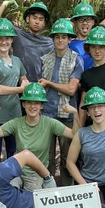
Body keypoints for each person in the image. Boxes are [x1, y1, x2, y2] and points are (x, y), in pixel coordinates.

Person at [0, 82, 77, 191]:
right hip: (17, 169)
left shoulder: (49, 123)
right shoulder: (16, 123)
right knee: (7, 190)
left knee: (30, 198)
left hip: (36, 173)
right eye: (29, 102)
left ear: (41, 105)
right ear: (23, 104)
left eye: (36, 103)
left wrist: (75, 113)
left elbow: (74, 134)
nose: (32, 106)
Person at [39, 18, 83, 187]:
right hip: (47, 114)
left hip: (66, 115)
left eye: (64, 37)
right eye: (57, 37)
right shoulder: (46, 58)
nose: (60, 40)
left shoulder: (75, 59)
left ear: (69, 39)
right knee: (46, 157)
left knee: (67, 158)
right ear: (53, 38)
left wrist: (49, 83)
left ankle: (67, 192)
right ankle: (47, 193)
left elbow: (72, 89)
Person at [0, 18, 29, 172]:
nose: (4, 42)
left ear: (12, 40)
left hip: (14, 113)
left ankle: (11, 183)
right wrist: (19, 89)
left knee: (13, 151)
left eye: (7, 38)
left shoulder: (17, 61)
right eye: (0, 38)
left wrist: (27, 86)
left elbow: (25, 80)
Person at [0, 0, 53, 83]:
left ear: (44, 23)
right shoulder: (18, 34)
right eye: (34, 18)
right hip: (19, 85)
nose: (37, 22)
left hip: (40, 87)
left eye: (41, 19)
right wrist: (5, 3)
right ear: (27, 19)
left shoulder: (49, 42)